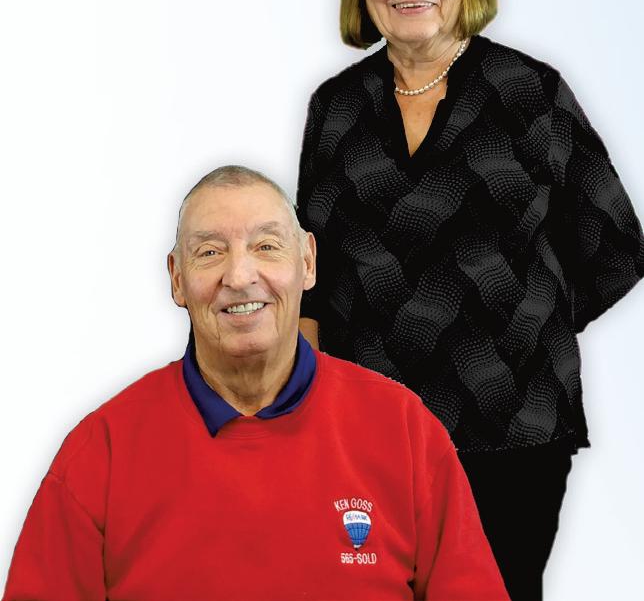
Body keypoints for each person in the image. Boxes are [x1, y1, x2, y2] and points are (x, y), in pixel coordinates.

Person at [296, 0, 644, 600]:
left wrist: (522, 321)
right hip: (367, 433)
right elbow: (312, 278)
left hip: (511, 427)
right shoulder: (336, 108)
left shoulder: (529, 92)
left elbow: (615, 246)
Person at [2, 165, 508, 601]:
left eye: (266, 246)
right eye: (210, 253)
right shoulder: (101, 451)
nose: (240, 275)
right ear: (176, 278)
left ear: (307, 263)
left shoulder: (404, 430)